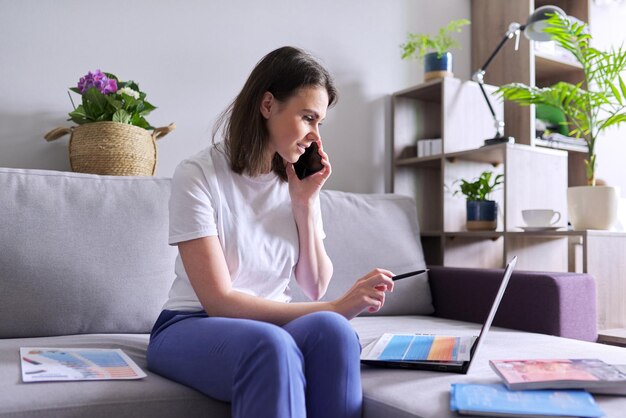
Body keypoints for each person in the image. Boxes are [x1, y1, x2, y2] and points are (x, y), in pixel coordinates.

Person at [147, 46, 395, 418]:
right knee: (273, 346)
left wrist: (305, 204)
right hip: (192, 324)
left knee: (335, 332)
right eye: (307, 117)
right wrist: (338, 307)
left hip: (269, 328)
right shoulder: (197, 175)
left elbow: (313, 285)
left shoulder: (296, 182)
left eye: (319, 123)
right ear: (267, 105)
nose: (315, 135)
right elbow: (219, 301)